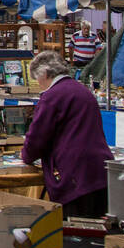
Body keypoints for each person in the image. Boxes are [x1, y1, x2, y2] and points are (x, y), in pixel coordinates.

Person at [21, 50, 112, 217]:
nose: (38, 84)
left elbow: (37, 137)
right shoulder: (82, 90)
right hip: (99, 169)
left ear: (46, 74)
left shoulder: (52, 96)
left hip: (74, 175)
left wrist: (26, 155)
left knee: (76, 230)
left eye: (38, 79)